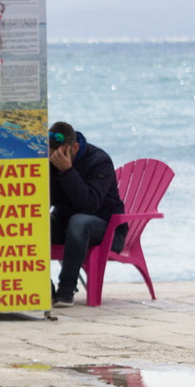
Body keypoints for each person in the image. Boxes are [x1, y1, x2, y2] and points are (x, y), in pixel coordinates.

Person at [49, 121, 127, 307]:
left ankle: (66, 291)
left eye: (61, 154)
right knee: (32, 224)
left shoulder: (99, 161)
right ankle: (45, 289)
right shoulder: (49, 160)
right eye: (51, 154)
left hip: (106, 229)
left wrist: (67, 171)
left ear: (75, 147)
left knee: (79, 222)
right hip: (66, 224)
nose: (55, 159)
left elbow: (89, 206)